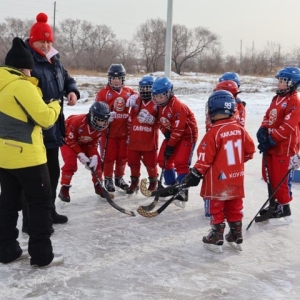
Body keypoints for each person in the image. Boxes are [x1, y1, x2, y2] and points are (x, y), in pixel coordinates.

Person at [0, 37, 63, 267]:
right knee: (39, 204)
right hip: (28, 158)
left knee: (7, 203)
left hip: (4, 158)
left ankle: (7, 250)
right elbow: (45, 119)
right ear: (23, 67)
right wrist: (55, 104)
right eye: (29, 68)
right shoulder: (21, 85)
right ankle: (42, 256)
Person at [22, 12, 80, 231]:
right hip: (34, 129)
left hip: (53, 128)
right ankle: (31, 222)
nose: (45, 45)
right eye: (41, 41)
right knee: (35, 180)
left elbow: (67, 78)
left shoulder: (54, 59)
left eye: (48, 41)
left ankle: (49, 211)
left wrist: (72, 91)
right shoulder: (26, 61)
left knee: (53, 174)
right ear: (32, 40)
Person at [182, 90, 255, 253]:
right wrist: (234, 164)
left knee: (217, 206)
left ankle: (216, 236)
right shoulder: (240, 129)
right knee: (235, 206)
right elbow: (250, 151)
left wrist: (195, 173)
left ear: (212, 111)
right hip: (236, 179)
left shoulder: (213, 133)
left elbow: (204, 159)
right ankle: (236, 234)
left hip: (218, 181)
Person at [256, 67, 300, 220]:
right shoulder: (276, 99)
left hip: (284, 148)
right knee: (269, 176)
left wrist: (271, 139)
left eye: (283, 81)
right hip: (272, 146)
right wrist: (263, 130)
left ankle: (284, 207)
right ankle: (274, 203)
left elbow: (288, 127)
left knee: (280, 179)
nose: (279, 83)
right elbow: (268, 116)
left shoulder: (295, 100)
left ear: (292, 83)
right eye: (279, 80)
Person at [151, 77, 198, 208]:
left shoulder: (177, 106)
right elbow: (159, 122)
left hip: (187, 136)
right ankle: (172, 187)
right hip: (173, 135)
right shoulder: (159, 106)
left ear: (169, 93)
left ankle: (183, 192)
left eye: (161, 96)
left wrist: (171, 145)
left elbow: (179, 129)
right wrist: (165, 132)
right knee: (162, 160)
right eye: (155, 96)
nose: (157, 99)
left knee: (180, 163)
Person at [58, 102, 113, 201]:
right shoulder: (76, 121)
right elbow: (70, 140)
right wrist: (81, 155)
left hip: (85, 143)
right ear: (92, 116)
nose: (102, 123)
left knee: (97, 163)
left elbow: (93, 143)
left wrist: (93, 156)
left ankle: (98, 185)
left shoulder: (103, 127)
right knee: (71, 163)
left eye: (105, 120)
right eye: (99, 120)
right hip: (68, 141)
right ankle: (64, 188)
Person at [95, 64, 137, 193]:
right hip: (108, 133)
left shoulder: (128, 91)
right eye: (113, 78)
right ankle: (108, 179)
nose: (116, 80)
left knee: (122, 157)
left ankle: (119, 178)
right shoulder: (103, 93)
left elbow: (138, 97)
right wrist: (106, 116)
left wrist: (136, 96)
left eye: (118, 78)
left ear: (123, 79)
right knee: (108, 157)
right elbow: (96, 111)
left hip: (124, 133)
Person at [126, 75, 159, 194]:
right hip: (135, 138)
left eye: (148, 88)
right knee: (133, 162)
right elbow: (130, 119)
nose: (145, 91)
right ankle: (134, 182)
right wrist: (128, 136)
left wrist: (153, 121)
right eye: (143, 88)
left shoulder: (157, 102)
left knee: (151, 163)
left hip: (149, 139)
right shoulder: (136, 101)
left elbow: (161, 122)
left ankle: (153, 181)